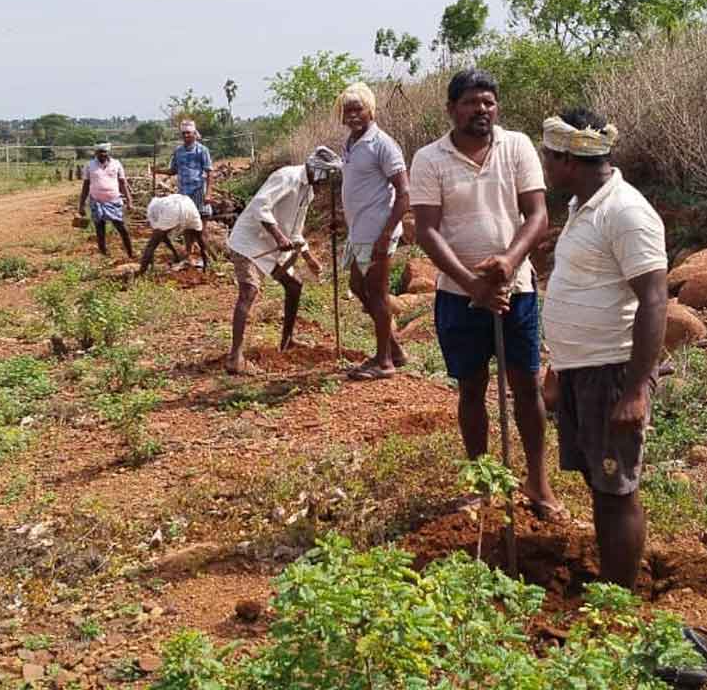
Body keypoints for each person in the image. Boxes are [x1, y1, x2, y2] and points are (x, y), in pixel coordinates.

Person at [409, 69, 564, 521]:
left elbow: (537, 215)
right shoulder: (429, 158)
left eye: (489, 102)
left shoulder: (516, 146)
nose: (482, 110)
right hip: (458, 296)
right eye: (472, 102)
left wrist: (509, 262)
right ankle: (481, 482)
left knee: (526, 386)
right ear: (452, 109)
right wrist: (472, 284)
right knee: (471, 388)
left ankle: (538, 482)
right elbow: (427, 230)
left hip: (516, 290)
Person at [539, 108, 668, 587]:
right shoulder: (583, 205)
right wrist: (559, 368)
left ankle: (619, 600)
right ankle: (611, 584)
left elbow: (655, 299)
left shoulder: (626, 211)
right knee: (600, 480)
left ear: (570, 160)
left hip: (611, 371)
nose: (544, 166)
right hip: (581, 369)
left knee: (616, 487)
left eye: (548, 157)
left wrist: (635, 389)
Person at [224, 149, 335, 374]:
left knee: (294, 285)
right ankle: (235, 358)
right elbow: (259, 206)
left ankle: (287, 340)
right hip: (249, 242)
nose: (327, 182)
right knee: (249, 292)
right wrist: (278, 236)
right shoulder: (287, 177)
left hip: (271, 247)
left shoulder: (308, 192)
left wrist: (309, 257)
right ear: (316, 169)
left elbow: (295, 231)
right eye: (326, 176)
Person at [335, 82, 411, 380]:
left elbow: (404, 193)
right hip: (359, 232)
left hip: (378, 231)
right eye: (348, 110)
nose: (352, 115)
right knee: (357, 286)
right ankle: (394, 349)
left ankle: (384, 362)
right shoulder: (352, 143)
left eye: (358, 109)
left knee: (377, 295)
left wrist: (386, 234)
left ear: (371, 111)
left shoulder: (382, 144)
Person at [78, 143, 134, 258]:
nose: (102, 154)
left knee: (122, 228)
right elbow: (86, 186)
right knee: (100, 229)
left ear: (108, 152)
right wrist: (81, 205)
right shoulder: (89, 165)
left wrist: (129, 200)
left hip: (114, 201)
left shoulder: (116, 164)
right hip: (96, 201)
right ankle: (104, 254)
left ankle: (130, 253)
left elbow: (123, 183)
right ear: (96, 153)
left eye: (104, 152)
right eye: (100, 152)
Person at [138, 193, 211, 275]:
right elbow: (164, 238)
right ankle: (206, 266)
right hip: (189, 205)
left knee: (151, 244)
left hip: (173, 208)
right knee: (200, 237)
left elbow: (159, 238)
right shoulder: (164, 202)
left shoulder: (153, 208)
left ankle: (141, 273)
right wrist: (175, 253)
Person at [153, 120, 213, 217]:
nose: (186, 135)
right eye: (183, 133)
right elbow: (173, 170)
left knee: (202, 217)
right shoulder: (178, 151)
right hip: (183, 192)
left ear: (194, 133)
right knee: (186, 219)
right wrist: (158, 171)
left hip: (198, 190)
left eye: (188, 133)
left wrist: (208, 194)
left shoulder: (202, 150)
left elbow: (209, 172)